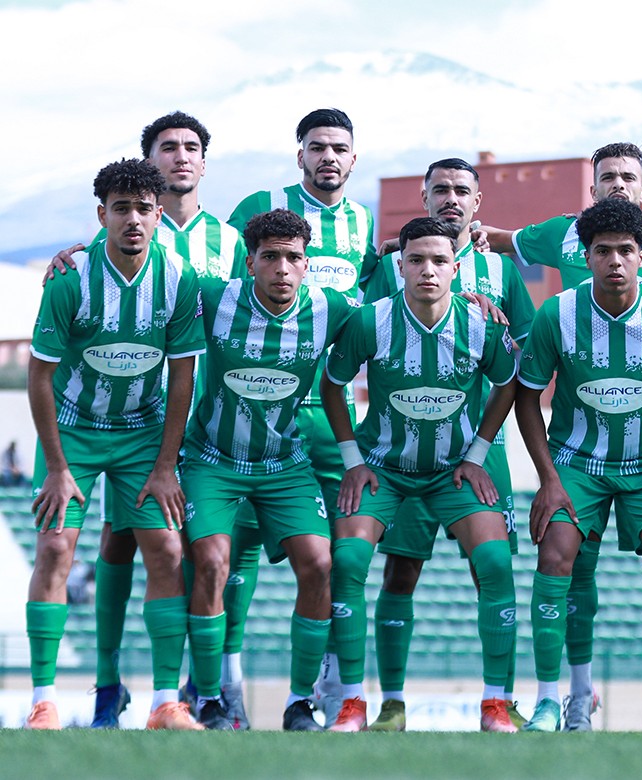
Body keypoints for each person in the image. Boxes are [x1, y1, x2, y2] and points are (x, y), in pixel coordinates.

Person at [485, 141, 642, 730]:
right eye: (602, 251)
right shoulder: (556, 313)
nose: (615, 260)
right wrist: (547, 480)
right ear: (584, 255)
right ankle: (553, 698)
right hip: (576, 464)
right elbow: (525, 397)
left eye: (626, 250)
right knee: (558, 555)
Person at [46, 110, 251, 730]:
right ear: (150, 162)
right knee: (121, 541)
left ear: (204, 163)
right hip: (135, 417)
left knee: (211, 551)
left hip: (209, 419)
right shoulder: (117, 236)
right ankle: (109, 684)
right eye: (168, 148)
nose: (181, 157)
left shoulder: (232, 241)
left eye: (192, 148)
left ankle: (205, 688)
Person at [320, 216, 520, 732]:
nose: (427, 270)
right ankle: (358, 703)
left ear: (456, 268)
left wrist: (477, 452)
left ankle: (496, 704)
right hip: (384, 468)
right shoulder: (371, 320)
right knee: (348, 562)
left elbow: (508, 385)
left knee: (496, 561)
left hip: (453, 470)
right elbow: (331, 384)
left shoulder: (480, 323)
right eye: (416, 260)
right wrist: (352, 460)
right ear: (399, 265)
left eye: (439, 261)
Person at [25, 158, 204, 730]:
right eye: (121, 208)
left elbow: (183, 375)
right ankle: (43, 702)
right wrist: (56, 467)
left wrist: (165, 465)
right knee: (55, 550)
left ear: (158, 216)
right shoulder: (70, 280)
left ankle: (163, 703)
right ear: (101, 214)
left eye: (144, 209)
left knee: (168, 553)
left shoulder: (179, 281)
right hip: (73, 431)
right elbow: (39, 375)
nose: (133, 219)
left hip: (142, 434)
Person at [362, 158, 535, 730]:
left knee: (493, 565)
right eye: (440, 190)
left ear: (478, 202)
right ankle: (390, 702)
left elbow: (526, 360)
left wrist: (498, 322)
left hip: (480, 451)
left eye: (463, 190)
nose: (451, 199)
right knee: (400, 573)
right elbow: (362, 326)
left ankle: (497, 700)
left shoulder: (500, 270)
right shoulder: (391, 267)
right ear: (424, 196)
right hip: (402, 451)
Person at [181, 208, 359, 731]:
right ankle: (210, 698)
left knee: (320, 564)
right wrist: (74, 260)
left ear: (307, 264)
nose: (283, 268)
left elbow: (398, 313)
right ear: (250, 262)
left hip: (284, 462)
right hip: (212, 459)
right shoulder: (214, 296)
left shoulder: (332, 308)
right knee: (213, 563)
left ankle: (299, 702)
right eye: (271, 257)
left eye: (294, 258)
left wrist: (465, 298)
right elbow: (147, 272)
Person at [228, 107, 379, 722]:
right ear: (300, 155)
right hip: (252, 411)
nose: (329, 157)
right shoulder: (262, 203)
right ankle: (219, 690)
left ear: (353, 156)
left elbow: (371, 299)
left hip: (328, 418)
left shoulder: (364, 223)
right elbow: (215, 272)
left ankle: (333, 691)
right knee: (228, 560)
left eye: (339, 147)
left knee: (334, 560)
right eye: (317, 146)